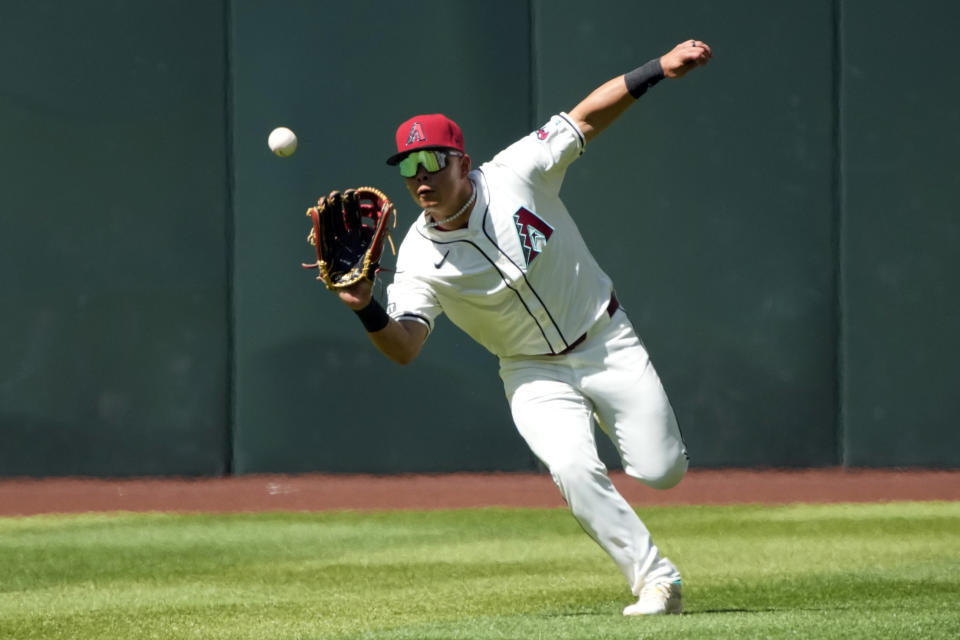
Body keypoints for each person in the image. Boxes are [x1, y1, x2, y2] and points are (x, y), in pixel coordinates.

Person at [337, 39, 712, 616]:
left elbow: (587, 115)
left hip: (607, 340)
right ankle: (657, 580)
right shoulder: (416, 256)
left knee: (663, 472)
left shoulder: (517, 172)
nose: (420, 178)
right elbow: (406, 346)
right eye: (407, 167)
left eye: (431, 160)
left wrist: (659, 69)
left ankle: (654, 473)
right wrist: (366, 307)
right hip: (531, 372)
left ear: (463, 161)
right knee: (571, 467)